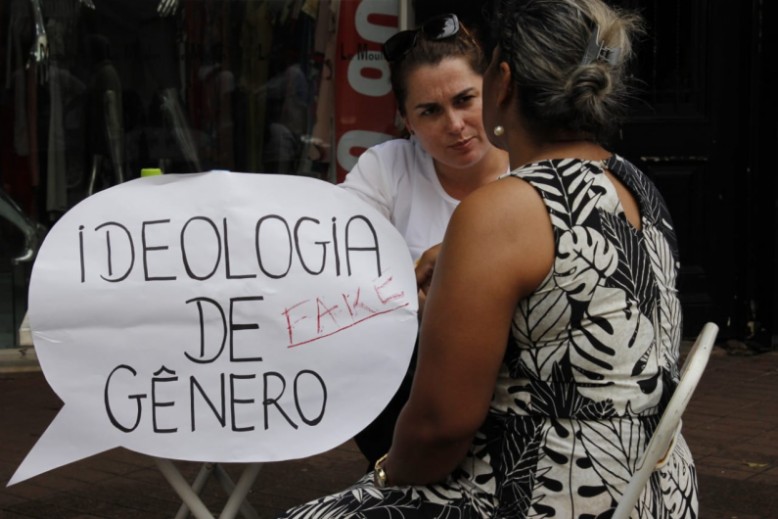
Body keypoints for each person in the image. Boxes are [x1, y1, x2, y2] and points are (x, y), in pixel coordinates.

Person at [277, 0, 698, 517]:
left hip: (548, 491)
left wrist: (384, 476)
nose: (454, 123)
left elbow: (440, 429)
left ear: (501, 82)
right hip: (655, 486)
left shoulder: (502, 209)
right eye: (430, 110)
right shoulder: (636, 183)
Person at [339, 13, 509, 470]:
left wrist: (453, 269)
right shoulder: (386, 167)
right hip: (409, 389)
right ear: (406, 121)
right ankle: (405, 473)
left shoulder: (531, 170)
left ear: (494, 91)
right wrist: (403, 283)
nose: (454, 124)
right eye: (430, 111)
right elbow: (332, 258)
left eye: (464, 99)